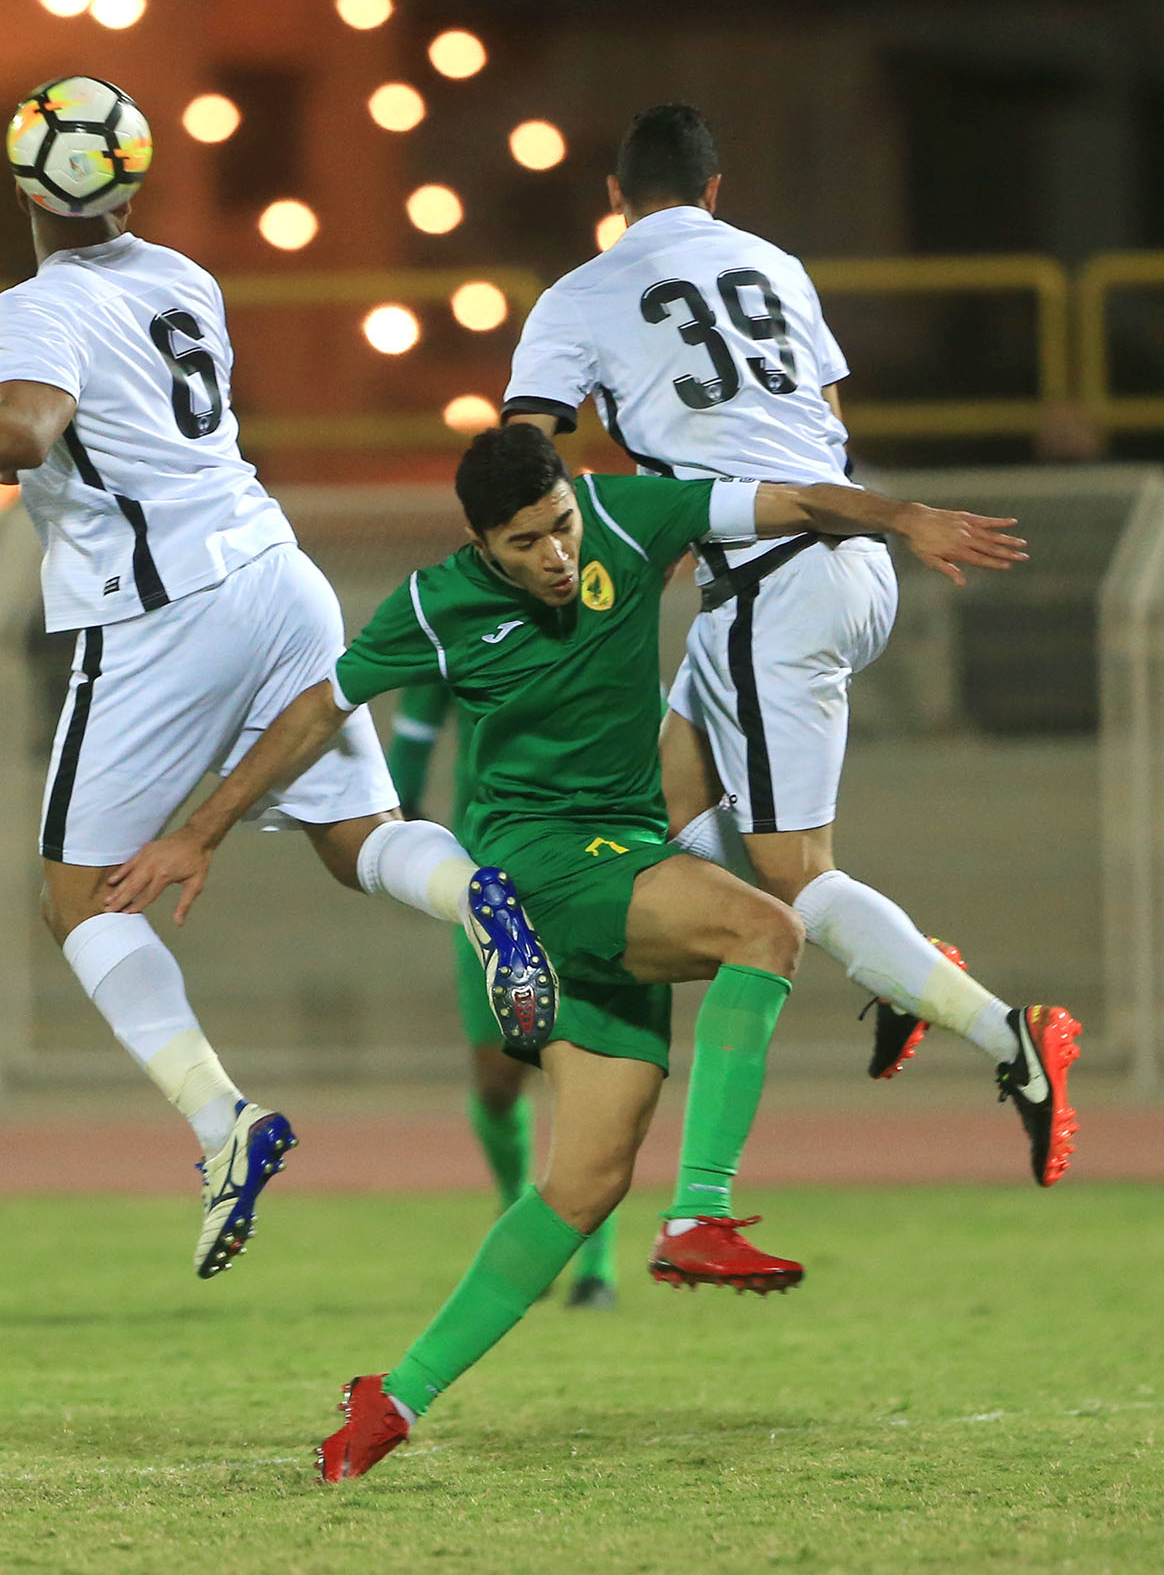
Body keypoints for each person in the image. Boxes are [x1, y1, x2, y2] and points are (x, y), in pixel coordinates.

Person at [0, 76, 557, 1281]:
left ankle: (224, 1119)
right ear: (136, 175)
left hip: (162, 611)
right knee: (357, 840)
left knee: (77, 899)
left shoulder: (37, 301)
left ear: (24, 187)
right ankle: (479, 891)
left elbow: (26, 429)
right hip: (278, 569)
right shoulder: (187, 278)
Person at [101, 423, 1026, 1481]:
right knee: (764, 926)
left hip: (622, 859)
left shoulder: (628, 517)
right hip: (536, 865)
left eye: (560, 527)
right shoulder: (436, 603)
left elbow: (799, 500)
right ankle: (702, 1210)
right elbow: (318, 708)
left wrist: (904, 517)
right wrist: (200, 831)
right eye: (525, 542)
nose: (555, 555)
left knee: (582, 1186)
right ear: (479, 543)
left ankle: (389, 1401)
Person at [503, 103, 1081, 1188]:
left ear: (616, 198)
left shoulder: (581, 292)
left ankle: (1008, 1032)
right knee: (654, 812)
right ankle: (898, 963)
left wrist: (563, 564)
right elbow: (823, 421)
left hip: (774, 586)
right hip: (842, 564)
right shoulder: (776, 265)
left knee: (795, 878)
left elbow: (521, 453)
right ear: (715, 190)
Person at [388, 681, 619, 1308]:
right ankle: (517, 1207)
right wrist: (395, 841)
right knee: (496, 1076)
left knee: (590, 1072)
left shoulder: (605, 639)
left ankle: (595, 1264)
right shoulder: (458, 638)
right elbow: (411, 740)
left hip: (589, 873)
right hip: (490, 886)